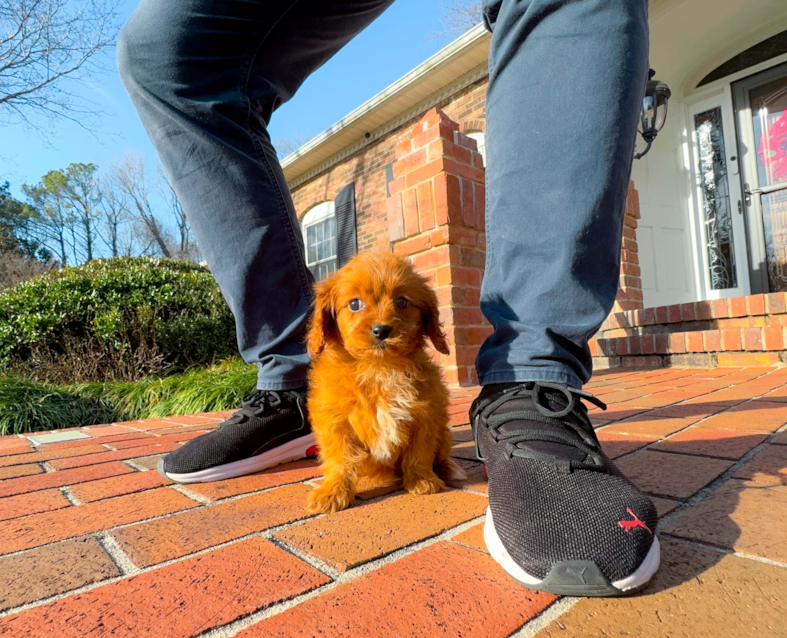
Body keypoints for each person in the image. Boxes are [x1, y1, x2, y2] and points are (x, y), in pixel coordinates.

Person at [117, 0, 657, 596]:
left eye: (402, 306)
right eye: (356, 307)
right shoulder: (336, 329)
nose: (380, 320)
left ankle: (534, 373)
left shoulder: (419, 347)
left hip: (425, 447)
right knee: (169, 57)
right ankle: (290, 377)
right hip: (335, 391)